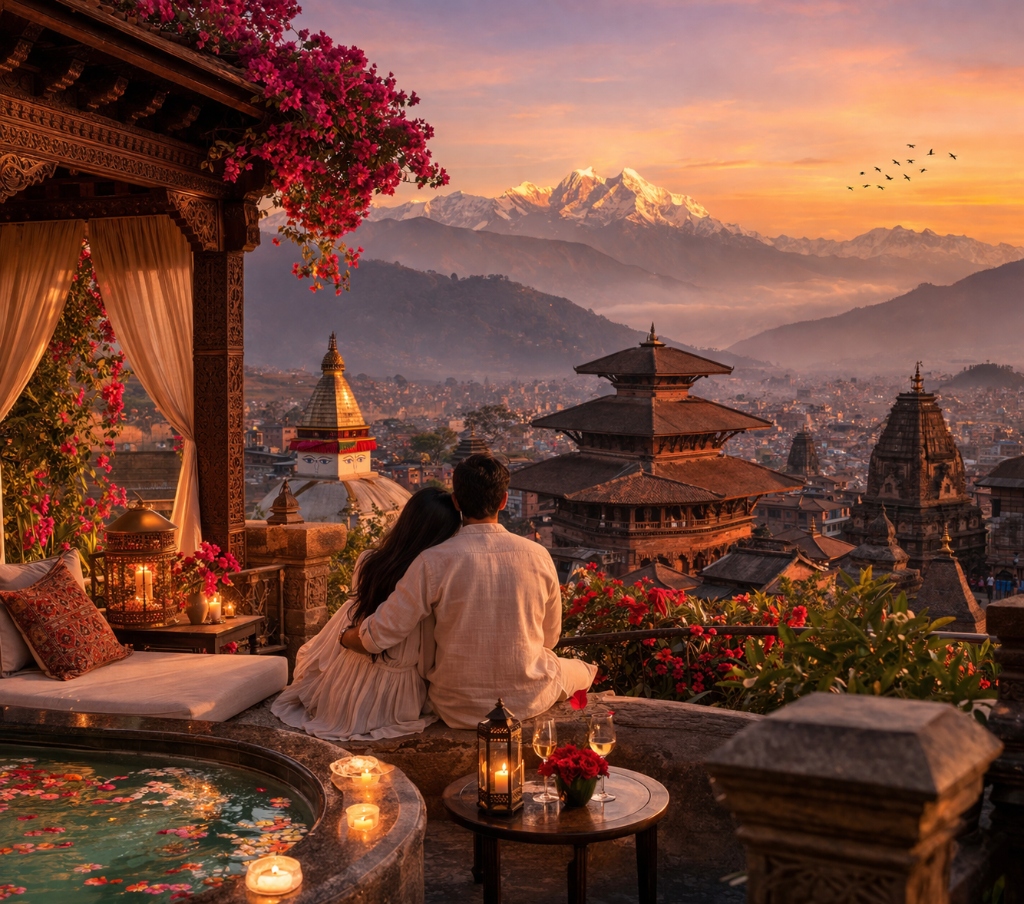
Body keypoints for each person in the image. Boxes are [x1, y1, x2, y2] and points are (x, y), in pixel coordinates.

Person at [342, 453, 596, 729]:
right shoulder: (538, 555)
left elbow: (380, 634)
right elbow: (550, 639)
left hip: (455, 706)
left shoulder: (433, 561)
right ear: (503, 500)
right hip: (528, 700)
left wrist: (345, 637)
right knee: (584, 670)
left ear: (456, 501)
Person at [271, 486, 460, 741]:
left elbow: (352, 619)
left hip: (346, 681)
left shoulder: (370, 561)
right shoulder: (431, 578)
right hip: (397, 695)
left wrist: (343, 638)